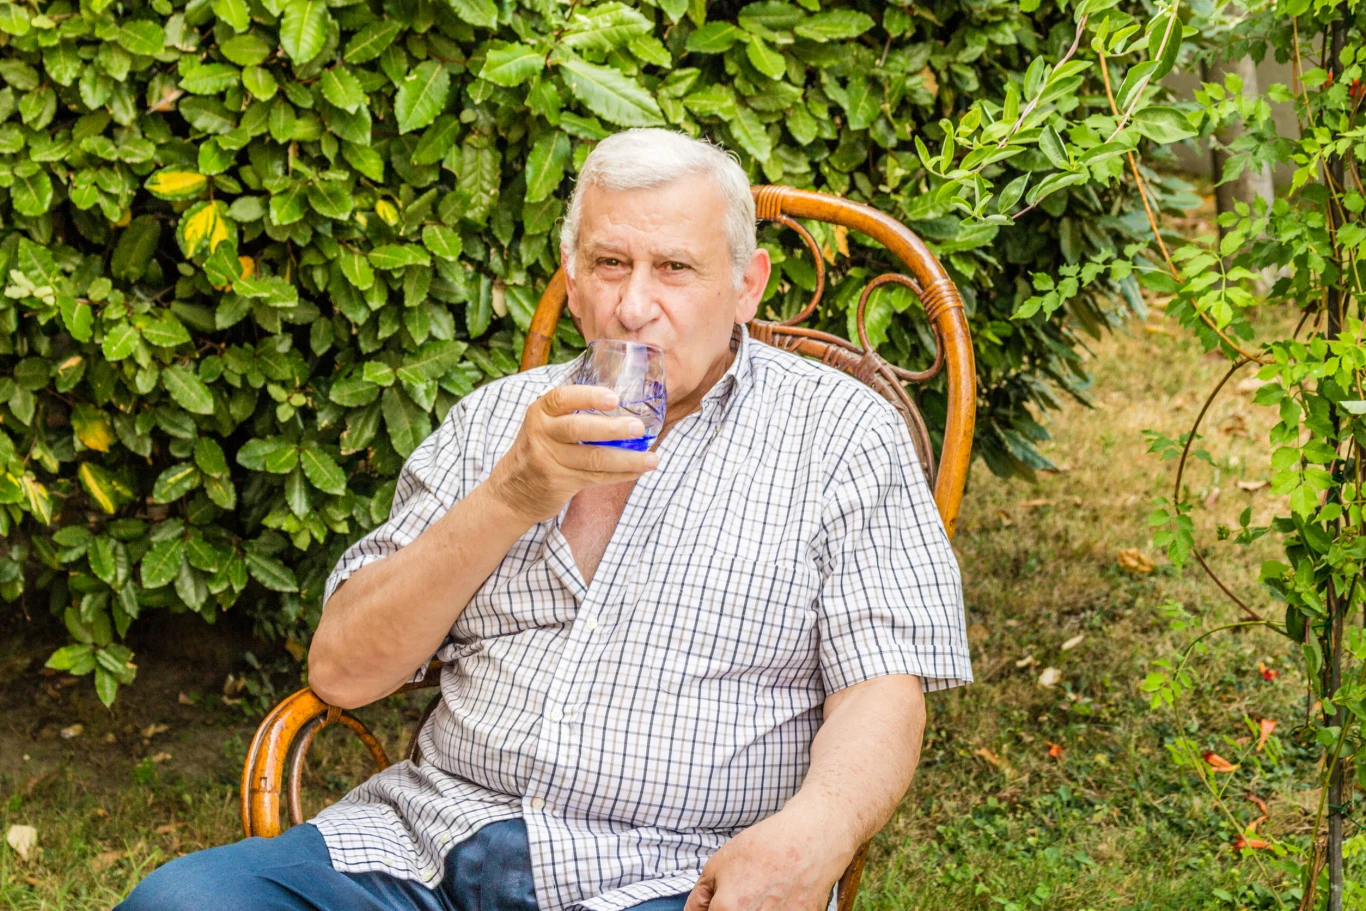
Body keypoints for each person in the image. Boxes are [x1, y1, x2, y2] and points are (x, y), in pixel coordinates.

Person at [116, 128, 972, 911]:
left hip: (667, 874)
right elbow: (343, 672)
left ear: (746, 286)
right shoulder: (498, 419)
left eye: (675, 268)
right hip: (421, 849)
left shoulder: (841, 434)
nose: (635, 306)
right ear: (571, 276)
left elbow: (884, 687)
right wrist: (512, 494)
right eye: (608, 264)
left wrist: (813, 833)